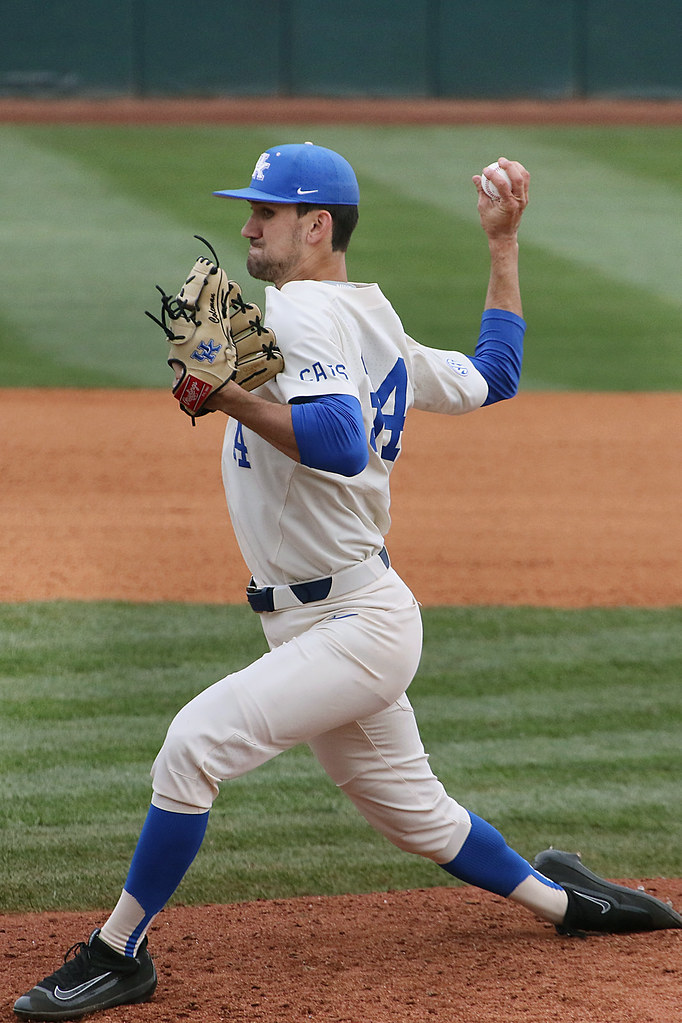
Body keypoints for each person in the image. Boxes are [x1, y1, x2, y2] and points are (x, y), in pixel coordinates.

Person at [15, 142, 681, 1021]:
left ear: (317, 225)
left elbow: (337, 441)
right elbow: (499, 372)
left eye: (268, 211)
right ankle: (568, 898)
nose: (249, 224)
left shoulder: (302, 310)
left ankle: (117, 949)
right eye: (250, 208)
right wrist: (503, 245)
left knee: (193, 745)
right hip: (342, 616)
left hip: (354, 627)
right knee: (423, 822)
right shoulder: (372, 322)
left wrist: (229, 399)